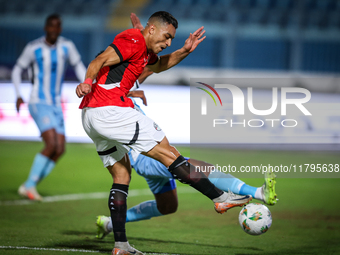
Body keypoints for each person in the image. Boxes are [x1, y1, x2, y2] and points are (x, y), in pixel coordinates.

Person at [75, 11, 251, 255]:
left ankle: (120, 246)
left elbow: (159, 65)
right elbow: (99, 60)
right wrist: (87, 81)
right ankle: (220, 197)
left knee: (122, 176)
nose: (168, 43)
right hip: (111, 109)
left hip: (91, 116)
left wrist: (184, 50)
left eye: (171, 39)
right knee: (169, 153)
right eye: (166, 37)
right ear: (151, 30)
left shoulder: (145, 51)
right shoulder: (134, 39)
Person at [12, 14, 86, 201]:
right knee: (51, 144)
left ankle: (30, 184)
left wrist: (88, 84)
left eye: (57, 27)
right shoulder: (33, 48)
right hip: (38, 102)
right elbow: (17, 70)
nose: (54, 30)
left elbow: (79, 67)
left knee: (60, 149)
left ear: (60, 29)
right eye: (51, 26)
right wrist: (18, 93)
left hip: (55, 104)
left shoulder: (66, 46)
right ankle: (29, 185)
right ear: (46, 27)